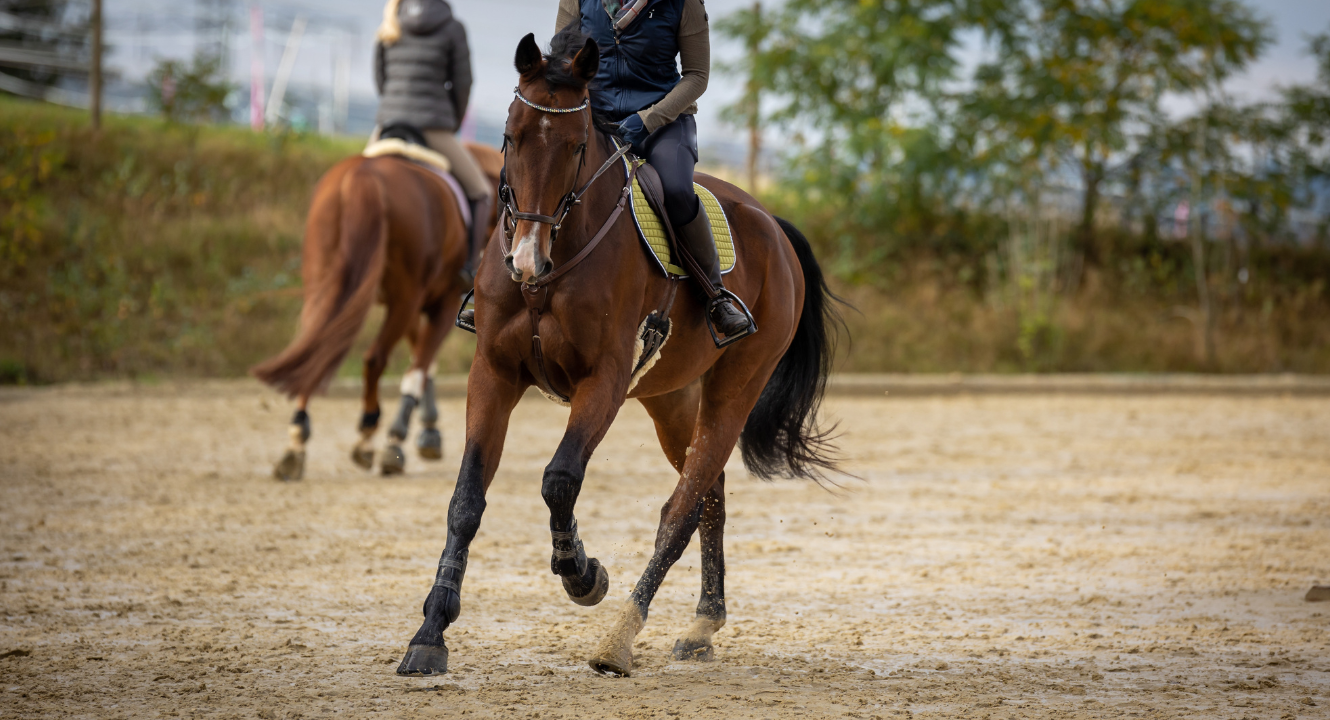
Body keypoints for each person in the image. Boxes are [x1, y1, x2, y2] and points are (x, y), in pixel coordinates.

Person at [554, 0, 752, 339]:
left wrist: (648, 120)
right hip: (594, 120)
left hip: (664, 123)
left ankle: (716, 296)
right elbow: (561, 61)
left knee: (675, 189)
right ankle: (496, 287)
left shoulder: (684, 3)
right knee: (529, 175)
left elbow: (697, 76)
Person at [372, 0, 492, 282]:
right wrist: (452, 123)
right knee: (481, 191)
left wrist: (394, 107)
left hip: (388, 124)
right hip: (433, 126)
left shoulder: (390, 20)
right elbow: (463, 84)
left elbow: (380, 78)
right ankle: (468, 268)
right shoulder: (452, 27)